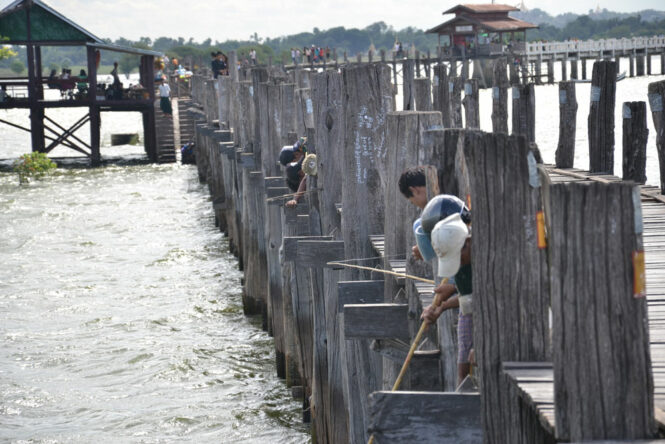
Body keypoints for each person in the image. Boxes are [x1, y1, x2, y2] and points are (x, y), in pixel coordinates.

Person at [421, 208, 473, 386]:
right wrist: (441, 305)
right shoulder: (462, 262)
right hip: (472, 311)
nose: (456, 264)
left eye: (457, 257)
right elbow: (467, 299)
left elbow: (478, 299)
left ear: (468, 242)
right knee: (464, 366)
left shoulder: (486, 257)